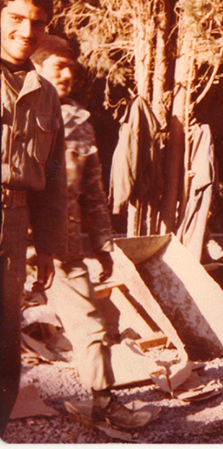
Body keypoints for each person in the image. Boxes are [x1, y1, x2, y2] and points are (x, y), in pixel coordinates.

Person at [30, 34, 154, 429]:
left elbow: (93, 192)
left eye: (71, 68)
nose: (67, 75)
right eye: (58, 67)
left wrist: (102, 245)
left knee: (91, 324)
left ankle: (103, 403)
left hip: (62, 245)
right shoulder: (13, 112)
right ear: (35, 68)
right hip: (13, 239)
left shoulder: (78, 121)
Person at [0, 0, 67, 436]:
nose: (27, 32)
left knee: (5, 345)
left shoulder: (45, 92)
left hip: (14, 226)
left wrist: (46, 246)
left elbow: (54, 178)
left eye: (38, 23)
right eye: (16, 18)